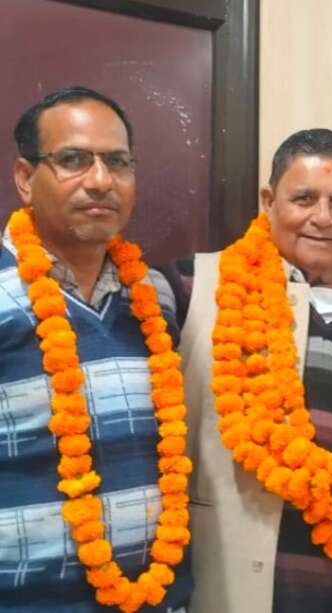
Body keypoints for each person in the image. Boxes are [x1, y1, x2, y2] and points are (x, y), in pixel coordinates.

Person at [176, 129, 332, 613]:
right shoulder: (194, 289)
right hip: (227, 589)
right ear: (268, 201)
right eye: (304, 199)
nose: (323, 217)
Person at [0, 85, 191, 611]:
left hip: (154, 598)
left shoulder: (154, 296)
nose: (101, 181)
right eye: (73, 160)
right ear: (25, 178)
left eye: (118, 162)